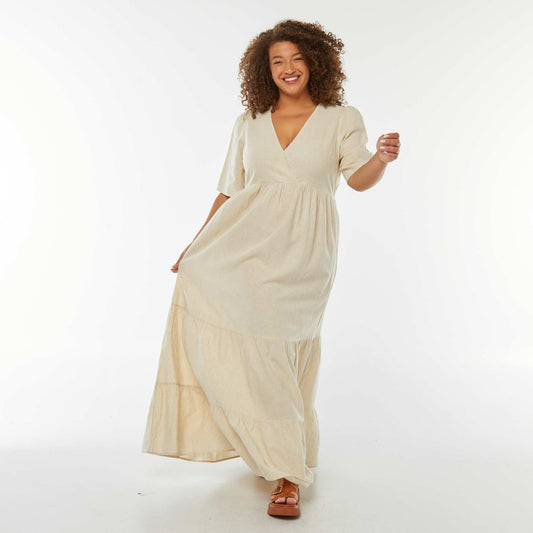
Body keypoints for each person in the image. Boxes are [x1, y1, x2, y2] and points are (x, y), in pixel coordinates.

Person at [141, 19, 400, 518]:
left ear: (316, 62)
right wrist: (195, 246)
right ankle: (284, 470)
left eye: (297, 58)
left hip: (305, 253)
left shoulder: (341, 118)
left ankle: (286, 462)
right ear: (265, 69)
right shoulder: (250, 121)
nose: (288, 68)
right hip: (244, 246)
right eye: (277, 60)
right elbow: (229, 190)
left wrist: (382, 160)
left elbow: (358, 179)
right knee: (257, 351)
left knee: (282, 350)